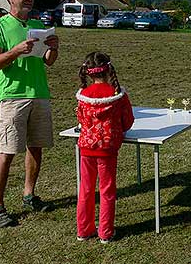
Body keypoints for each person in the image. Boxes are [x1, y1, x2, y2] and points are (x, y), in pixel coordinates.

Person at [0, 0, 59, 228]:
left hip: (39, 93)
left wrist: (53, 48)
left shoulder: (38, 25)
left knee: (36, 147)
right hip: (13, 96)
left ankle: (29, 195)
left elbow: (49, 62)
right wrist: (18, 50)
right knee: (7, 151)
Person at [76, 52, 134, 244]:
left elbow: (81, 120)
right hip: (108, 150)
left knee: (85, 189)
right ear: (108, 69)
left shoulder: (83, 96)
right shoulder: (117, 94)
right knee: (107, 190)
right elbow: (128, 122)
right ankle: (106, 232)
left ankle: (84, 230)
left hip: (86, 148)